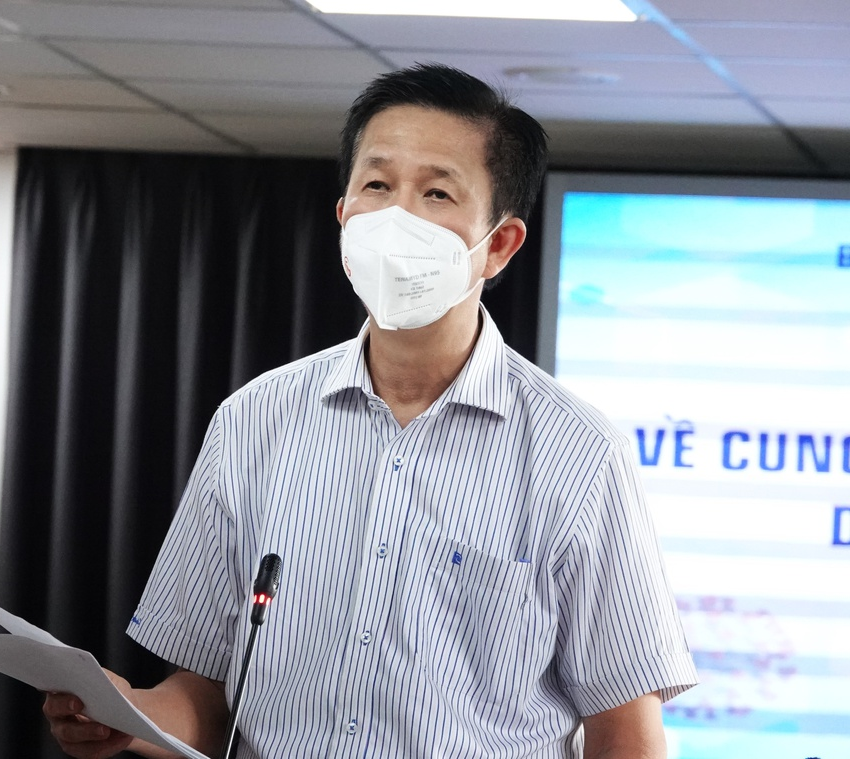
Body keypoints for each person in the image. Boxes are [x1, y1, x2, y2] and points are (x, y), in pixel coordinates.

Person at [44, 63, 697, 759]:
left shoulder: (579, 452)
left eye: (437, 192)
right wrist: (128, 713)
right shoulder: (253, 421)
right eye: (377, 186)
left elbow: (626, 733)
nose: (396, 220)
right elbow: (207, 697)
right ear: (343, 216)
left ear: (499, 246)